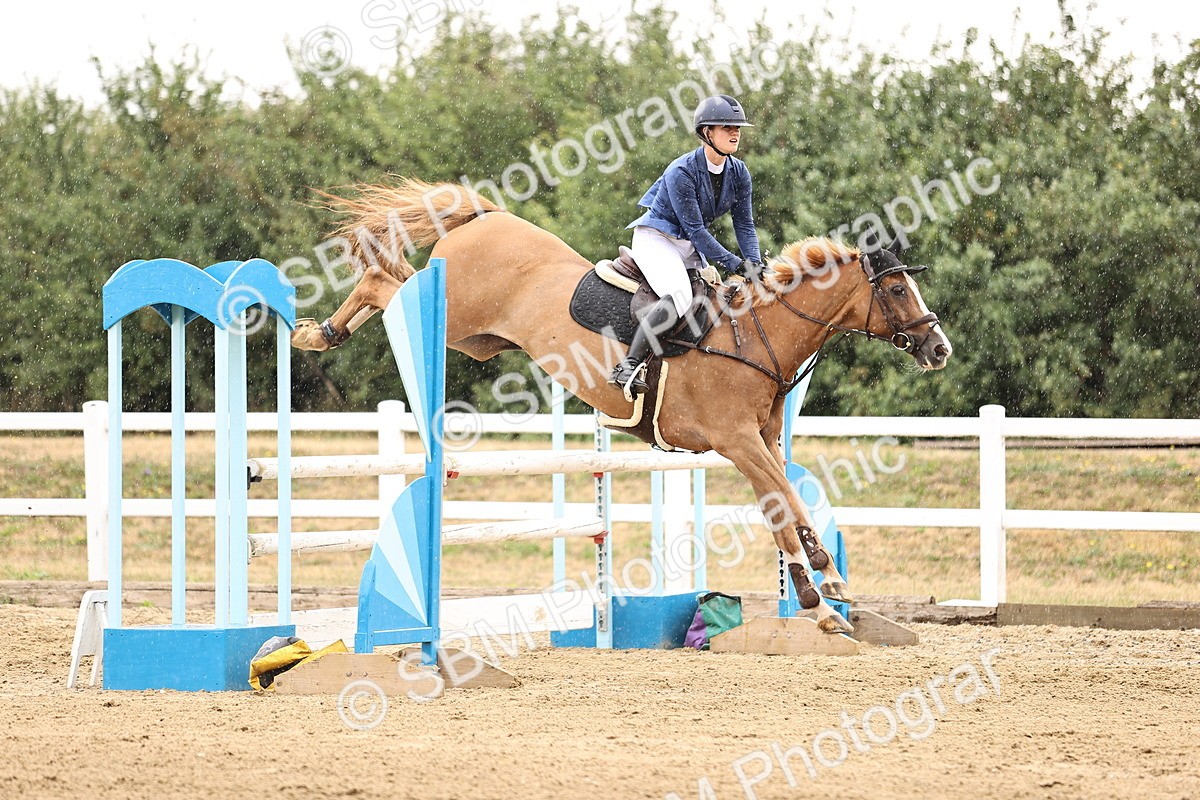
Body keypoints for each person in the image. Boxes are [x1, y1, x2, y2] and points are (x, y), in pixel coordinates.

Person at [608, 94, 764, 396]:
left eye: (738, 128)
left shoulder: (739, 172)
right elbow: (695, 229)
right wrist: (735, 264)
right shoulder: (681, 171)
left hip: (688, 244)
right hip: (657, 239)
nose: (735, 133)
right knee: (679, 296)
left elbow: (744, 224)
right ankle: (628, 365)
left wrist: (754, 262)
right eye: (726, 127)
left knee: (712, 299)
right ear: (707, 133)